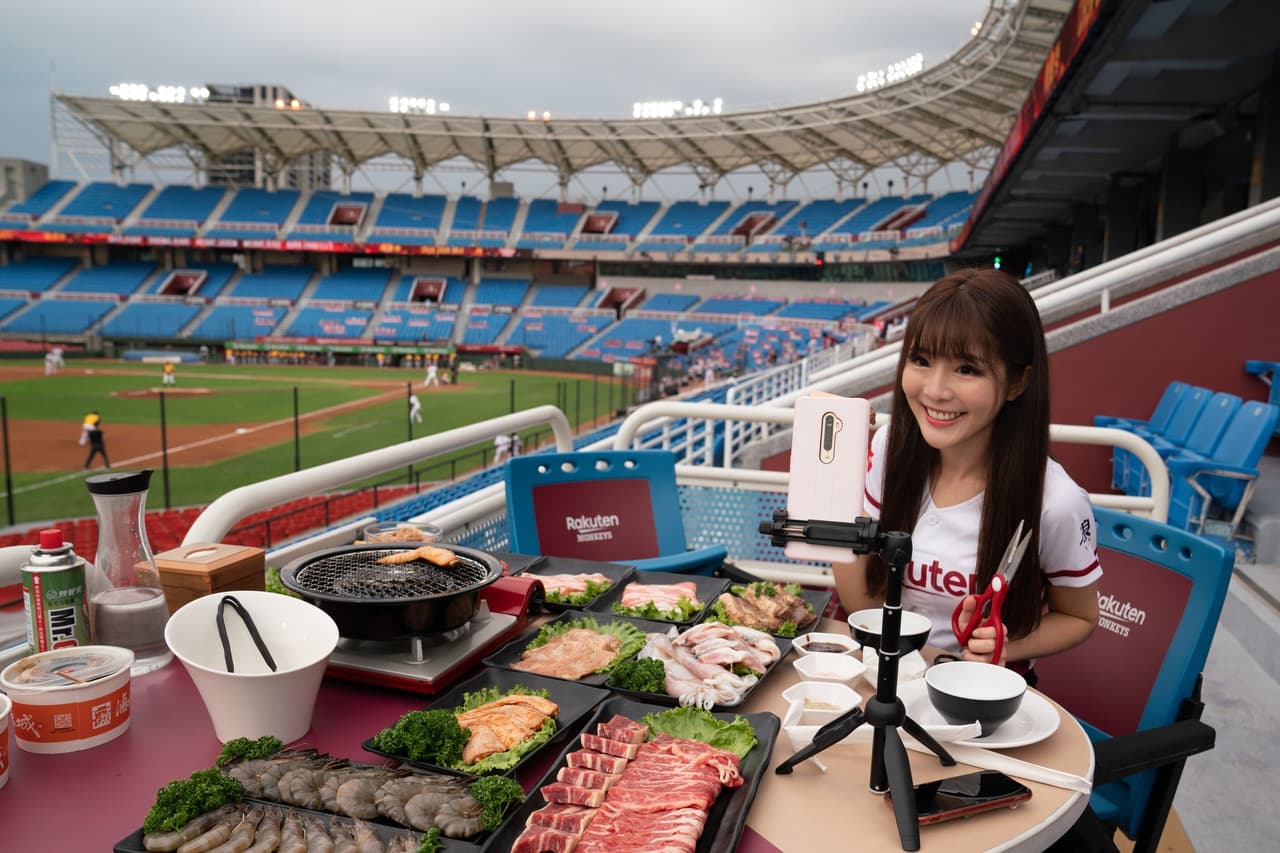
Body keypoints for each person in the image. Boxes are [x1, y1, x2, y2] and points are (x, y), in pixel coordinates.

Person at [832, 268, 1100, 674]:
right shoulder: (889, 447)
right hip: (884, 675)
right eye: (921, 360)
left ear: (1016, 383)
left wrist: (1005, 645)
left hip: (979, 701)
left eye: (967, 369)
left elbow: (1080, 617)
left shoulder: (1056, 502)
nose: (936, 390)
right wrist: (836, 476)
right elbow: (860, 602)